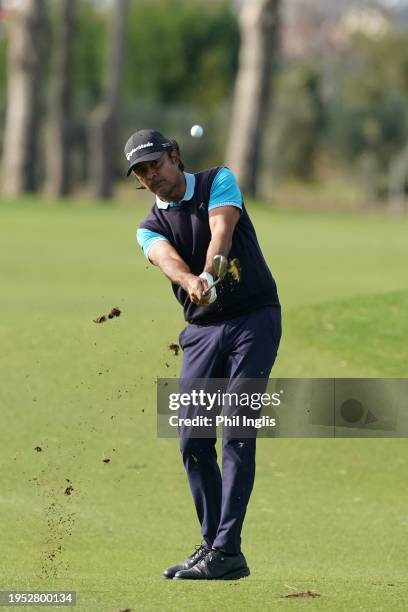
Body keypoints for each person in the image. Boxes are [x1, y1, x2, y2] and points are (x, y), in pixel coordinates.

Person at [124, 129, 282, 580]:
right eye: (141, 172)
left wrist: (209, 274)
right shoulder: (147, 226)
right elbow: (165, 259)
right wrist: (189, 281)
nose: (150, 175)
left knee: (237, 429)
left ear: (175, 156)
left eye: (155, 163)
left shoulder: (219, 180)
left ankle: (227, 551)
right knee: (192, 439)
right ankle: (215, 545)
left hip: (255, 319)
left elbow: (222, 231)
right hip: (202, 330)